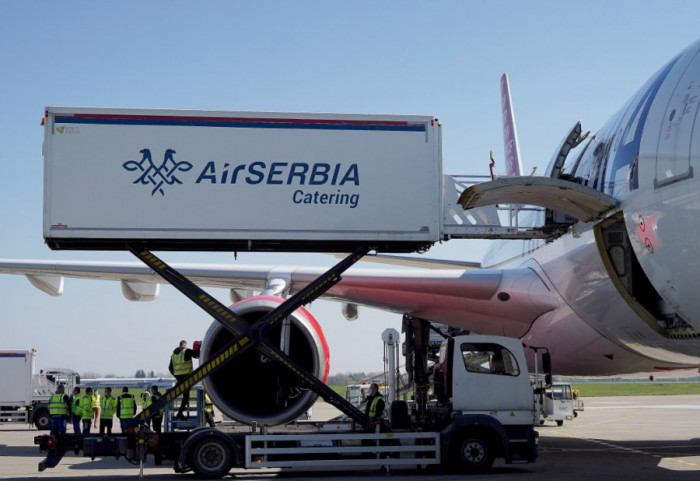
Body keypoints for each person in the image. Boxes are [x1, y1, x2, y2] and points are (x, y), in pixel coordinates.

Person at [168, 340, 200, 419]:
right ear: (184, 345)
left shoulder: (174, 355)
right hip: (187, 377)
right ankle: (180, 412)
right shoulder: (186, 351)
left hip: (179, 377)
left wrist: (177, 377)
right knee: (186, 396)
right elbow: (197, 353)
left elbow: (170, 368)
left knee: (184, 395)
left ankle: (180, 412)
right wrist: (199, 345)